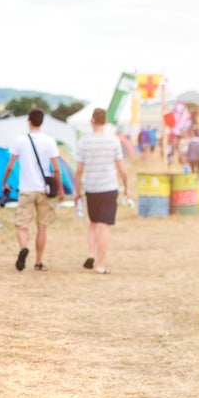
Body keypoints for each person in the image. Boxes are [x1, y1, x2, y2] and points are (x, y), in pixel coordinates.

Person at [0, 108, 63, 271]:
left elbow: (10, 166)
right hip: (44, 190)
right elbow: (56, 169)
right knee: (42, 227)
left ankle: (23, 248)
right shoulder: (49, 141)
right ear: (41, 122)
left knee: (22, 225)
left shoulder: (19, 140)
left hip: (26, 189)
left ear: (29, 121)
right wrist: (61, 189)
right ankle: (38, 262)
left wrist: (4, 182)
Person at [75, 107, 129, 275]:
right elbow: (121, 168)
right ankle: (100, 264)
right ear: (105, 122)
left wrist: (77, 191)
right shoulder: (114, 141)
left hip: (91, 187)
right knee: (104, 225)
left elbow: (78, 170)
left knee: (93, 223)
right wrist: (127, 187)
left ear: (92, 121)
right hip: (109, 187)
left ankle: (91, 253)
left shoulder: (83, 141)